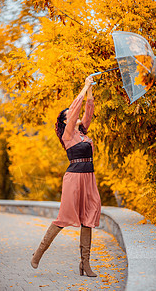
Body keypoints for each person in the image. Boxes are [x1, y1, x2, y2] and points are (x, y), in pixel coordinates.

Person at [31, 76, 101, 277]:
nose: (74, 115)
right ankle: (38, 253)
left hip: (89, 178)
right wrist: (84, 85)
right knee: (64, 218)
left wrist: (89, 90)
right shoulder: (67, 135)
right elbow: (76, 111)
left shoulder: (83, 133)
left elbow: (88, 109)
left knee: (89, 218)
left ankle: (84, 264)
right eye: (69, 114)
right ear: (65, 121)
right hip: (74, 179)